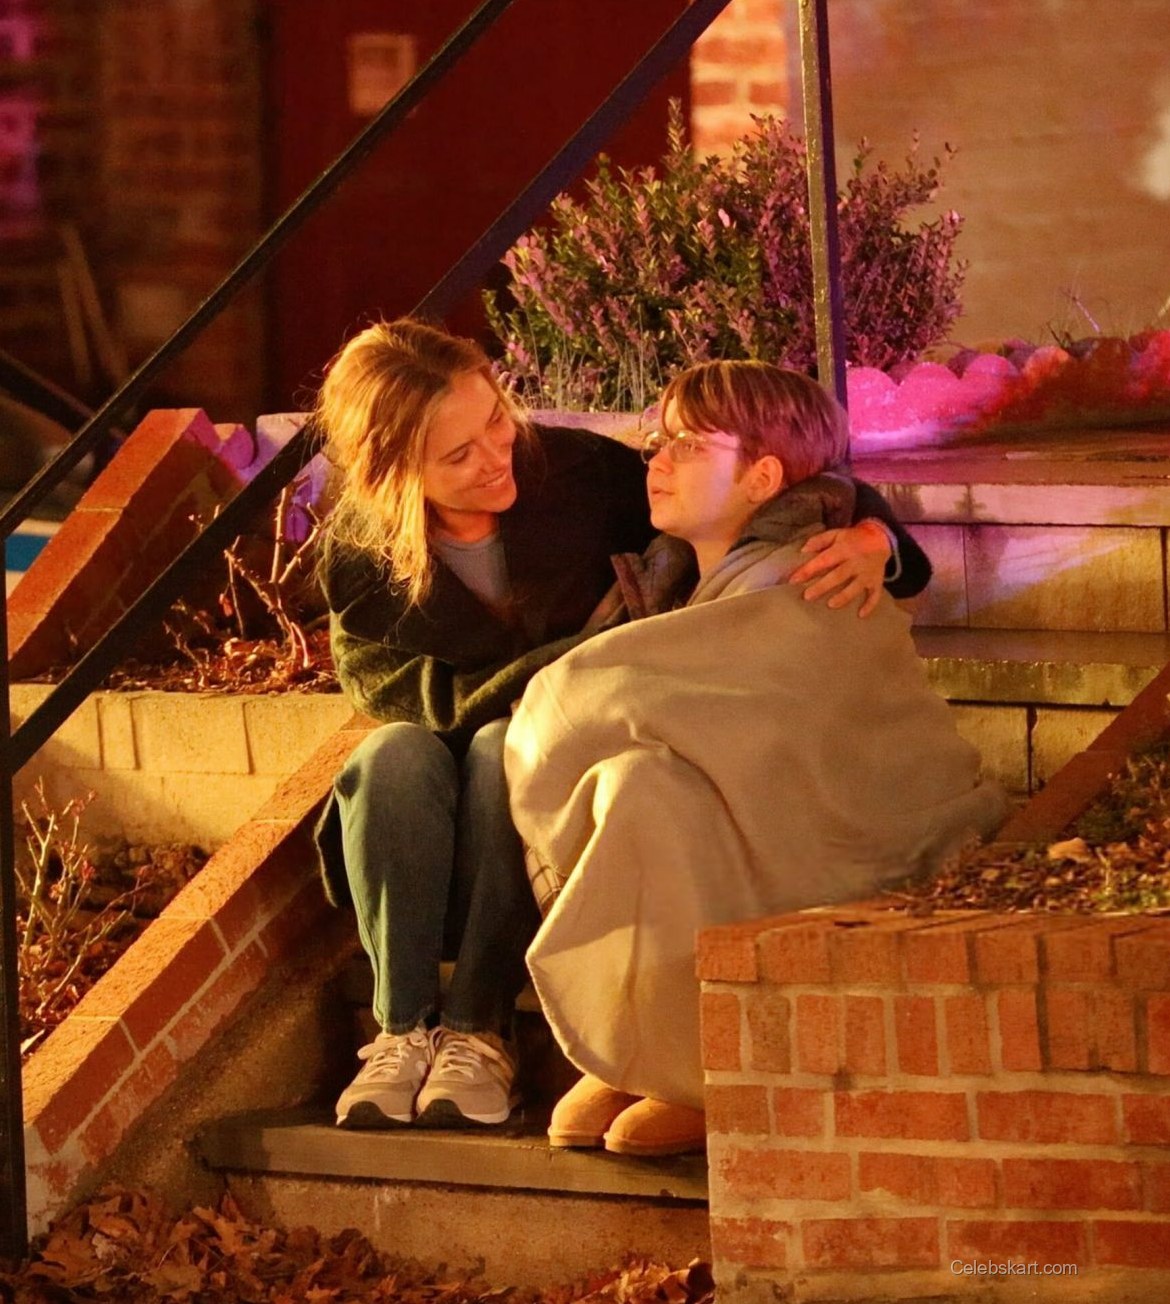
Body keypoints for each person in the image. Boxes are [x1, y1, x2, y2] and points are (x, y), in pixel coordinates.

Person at [312, 319, 932, 1131]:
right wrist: (558, 675)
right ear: (393, 474)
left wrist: (875, 532)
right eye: (458, 455)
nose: (496, 456)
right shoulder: (362, 564)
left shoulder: (573, 472)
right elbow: (406, 698)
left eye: (496, 420)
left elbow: (779, 474)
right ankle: (400, 1028)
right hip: (440, 845)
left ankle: (478, 1028)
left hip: (550, 804)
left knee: (505, 747)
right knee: (390, 754)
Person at [504, 359, 1007, 1156]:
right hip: (735, 816)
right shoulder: (669, 575)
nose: (658, 461)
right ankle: (646, 1046)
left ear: (763, 478)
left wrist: (876, 534)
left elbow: (794, 732)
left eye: (688, 446)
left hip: (842, 832)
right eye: (657, 443)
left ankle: (704, 1066)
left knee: (652, 791)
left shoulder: (814, 575)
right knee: (638, 785)